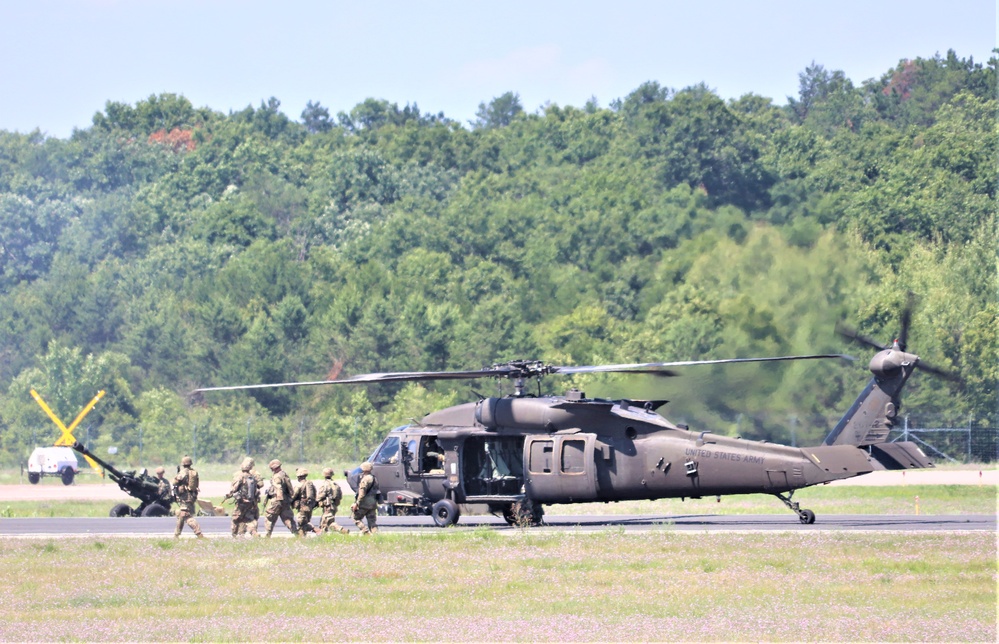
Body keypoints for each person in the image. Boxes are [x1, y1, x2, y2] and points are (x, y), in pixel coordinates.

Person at [225, 458, 262, 537]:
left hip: (241, 502)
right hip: (251, 503)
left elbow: (234, 488)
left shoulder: (240, 476)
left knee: (235, 519)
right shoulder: (253, 477)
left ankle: (234, 535)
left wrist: (229, 495)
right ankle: (254, 532)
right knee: (249, 519)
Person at [263, 459, 297, 537]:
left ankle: (267, 535)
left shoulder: (277, 476)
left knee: (269, 517)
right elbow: (290, 489)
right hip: (286, 500)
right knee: (288, 519)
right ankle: (297, 534)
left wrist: (278, 498)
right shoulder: (284, 474)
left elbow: (278, 487)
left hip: (277, 500)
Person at [172, 455, 204, 539]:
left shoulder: (183, 472)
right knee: (181, 515)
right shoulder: (193, 472)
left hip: (185, 497)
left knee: (186, 516)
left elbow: (175, 482)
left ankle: (199, 533)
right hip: (191, 496)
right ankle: (176, 535)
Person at [316, 467, 349, 535]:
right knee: (323, 523)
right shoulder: (335, 484)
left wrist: (315, 501)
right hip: (333, 506)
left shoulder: (325, 484)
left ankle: (342, 530)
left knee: (329, 522)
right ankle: (322, 536)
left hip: (328, 506)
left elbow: (321, 495)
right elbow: (340, 496)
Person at [351, 461, 379, 535]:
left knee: (355, 518)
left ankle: (365, 532)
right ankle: (375, 535)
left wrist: (357, 503)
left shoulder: (365, 479)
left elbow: (361, 493)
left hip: (364, 503)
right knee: (372, 521)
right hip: (373, 503)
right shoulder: (374, 478)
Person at [291, 467, 317, 537]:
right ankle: (302, 539)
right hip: (309, 507)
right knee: (303, 526)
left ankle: (316, 530)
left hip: (302, 507)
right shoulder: (310, 484)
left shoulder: (300, 485)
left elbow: (293, 496)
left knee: (301, 523)